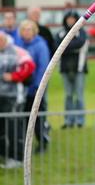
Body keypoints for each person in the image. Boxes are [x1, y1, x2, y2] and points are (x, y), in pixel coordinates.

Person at [0, 31, 35, 168]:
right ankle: (4, 154)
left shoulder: (17, 51)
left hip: (13, 96)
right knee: (2, 127)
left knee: (13, 127)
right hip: (1, 95)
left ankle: (18, 157)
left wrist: (15, 76)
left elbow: (29, 66)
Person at [16, 20, 51, 154]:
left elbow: (43, 67)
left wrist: (37, 86)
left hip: (36, 88)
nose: (26, 32)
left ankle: (42, 142)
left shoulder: (40, 45)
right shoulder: (18, 44)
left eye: (29, 29)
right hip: (21, 89)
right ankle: (25, 146)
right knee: (23, 118)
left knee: (37, 118)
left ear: (34, 30)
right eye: (24, 29)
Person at [55, 10, 89, 129]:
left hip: (79, 68)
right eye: (68, 18)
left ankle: (80, 121)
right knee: (68, 95)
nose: (70, 21)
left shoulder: (82, 33)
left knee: (79, 95)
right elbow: (58, 46)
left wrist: (66, 47)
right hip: (65, 68)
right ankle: (69, 120)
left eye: (73, 18)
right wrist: (70, 46)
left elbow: (80, 43)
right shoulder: (60, 33)